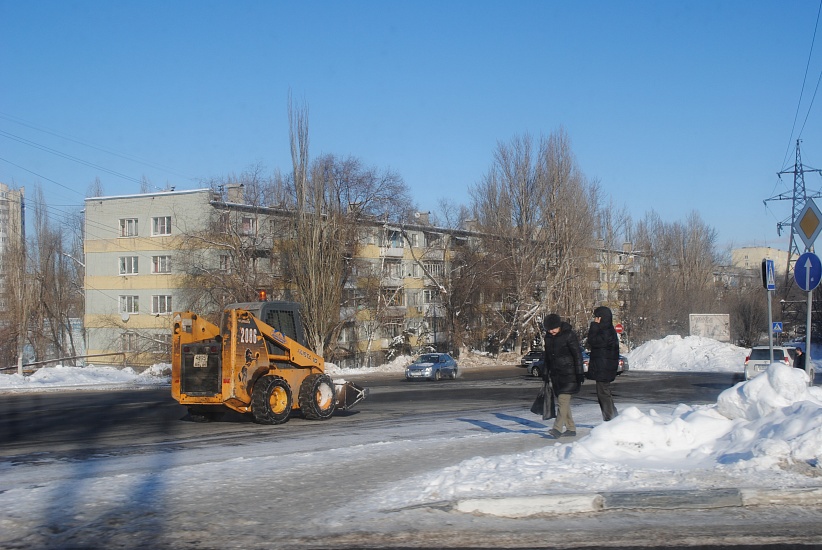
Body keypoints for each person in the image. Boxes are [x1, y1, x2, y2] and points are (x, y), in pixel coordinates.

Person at [542, 313, 585, 438]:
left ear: (558, 326)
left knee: (562, 401)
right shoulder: (548, 338)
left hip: (569, 374)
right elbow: (548, 357)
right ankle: (571, 428)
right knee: (563, 403)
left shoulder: (569, 335)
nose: (551, 331)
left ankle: (557, 428)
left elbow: (577, 355)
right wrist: (545, 371)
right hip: (556, 375)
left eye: (553, 328)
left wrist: (579, 372)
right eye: (549, 329)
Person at [587, 306, 620, 421]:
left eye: (597, 317)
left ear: (601, 318)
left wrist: (594, 326)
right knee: (605, 392)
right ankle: (614, 417)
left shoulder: (605, 331)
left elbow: (592, 341)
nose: (595, 320)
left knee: (603, 394)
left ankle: (609, 419)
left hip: (603, 368)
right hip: (605, 367)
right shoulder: (609, 330)